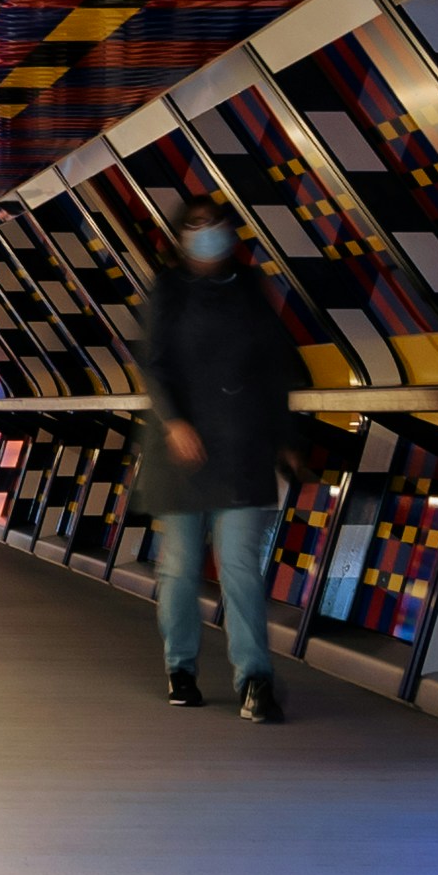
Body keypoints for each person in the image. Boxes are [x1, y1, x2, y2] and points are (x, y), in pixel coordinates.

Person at [133, 198, 298, 724]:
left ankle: (255, 679)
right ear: (181, 238)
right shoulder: (170, 292)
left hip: (244, 448)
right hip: (182, 453)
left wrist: (288, 438)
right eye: (196, 229)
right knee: (180, 567)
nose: (208, 237)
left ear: (231, 234)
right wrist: (175, 422)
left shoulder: (251, 290)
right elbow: (154, 366)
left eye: (216, 227)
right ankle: (180, 666)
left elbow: (277, 368)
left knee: (241, 567)